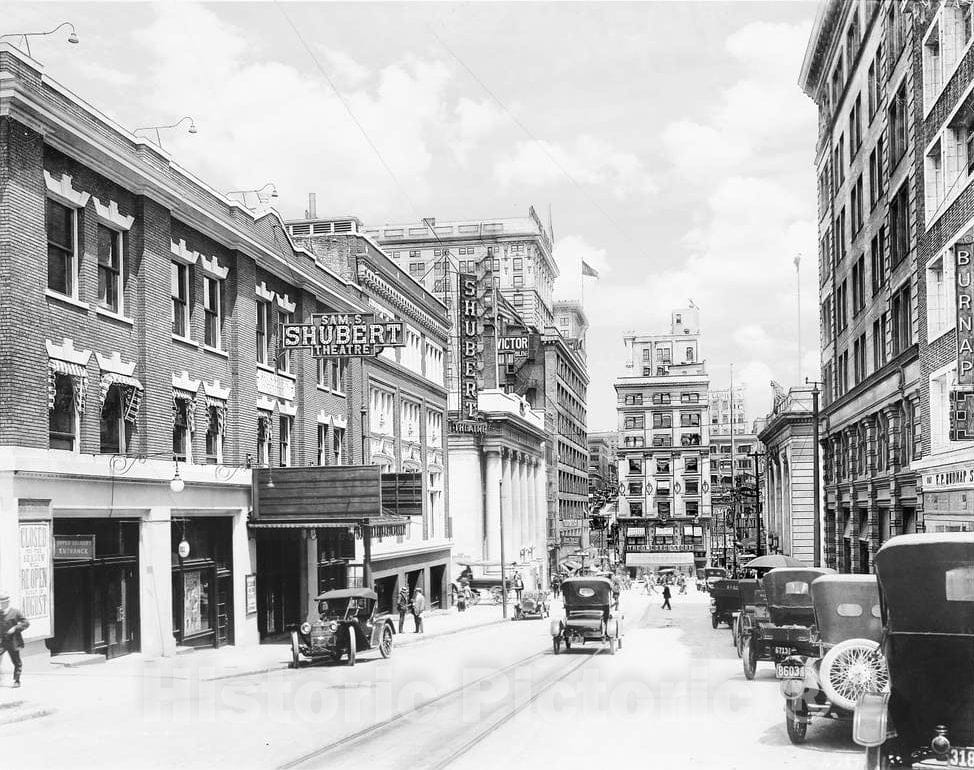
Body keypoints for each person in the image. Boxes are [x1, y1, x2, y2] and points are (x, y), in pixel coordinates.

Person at [0, 591, 29, 688]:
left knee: (16, 661)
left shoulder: (15, 612)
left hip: (13, 641)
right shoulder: (0, 614)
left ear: (8, 602)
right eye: (1, 602)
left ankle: (17, 680)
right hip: (2, 642)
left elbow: (26, 623)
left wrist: (15, 628)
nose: (2, 604)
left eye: (4, 602)